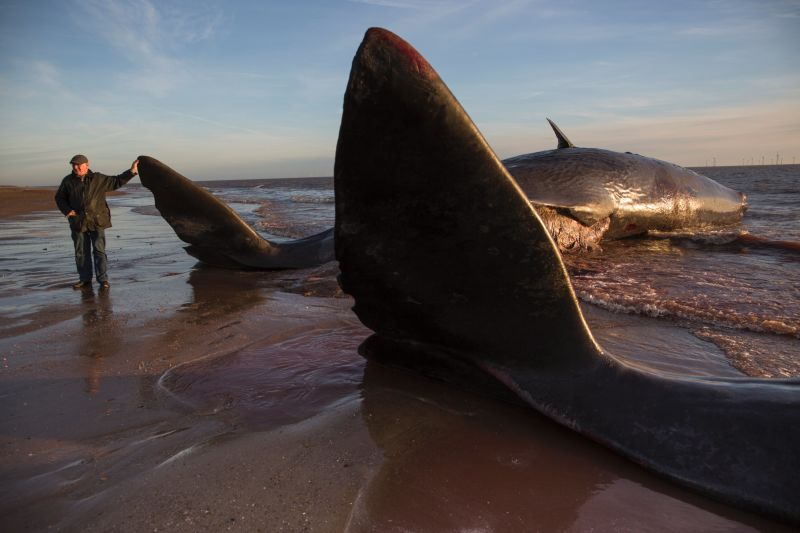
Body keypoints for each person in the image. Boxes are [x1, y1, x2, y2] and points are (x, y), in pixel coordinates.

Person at [55, 154, 139, 290]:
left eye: (78, 165)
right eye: (73, 165)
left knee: (99, 251)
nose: (75, 167)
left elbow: (116, 181)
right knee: (81, 252)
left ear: (86, 165)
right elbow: (59, 197)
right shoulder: (68, 181)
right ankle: (85, 279)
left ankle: (103, 280)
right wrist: (67, 211)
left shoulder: (98, 178)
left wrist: (132, 172)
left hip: (97, 221)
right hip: (78, 222)